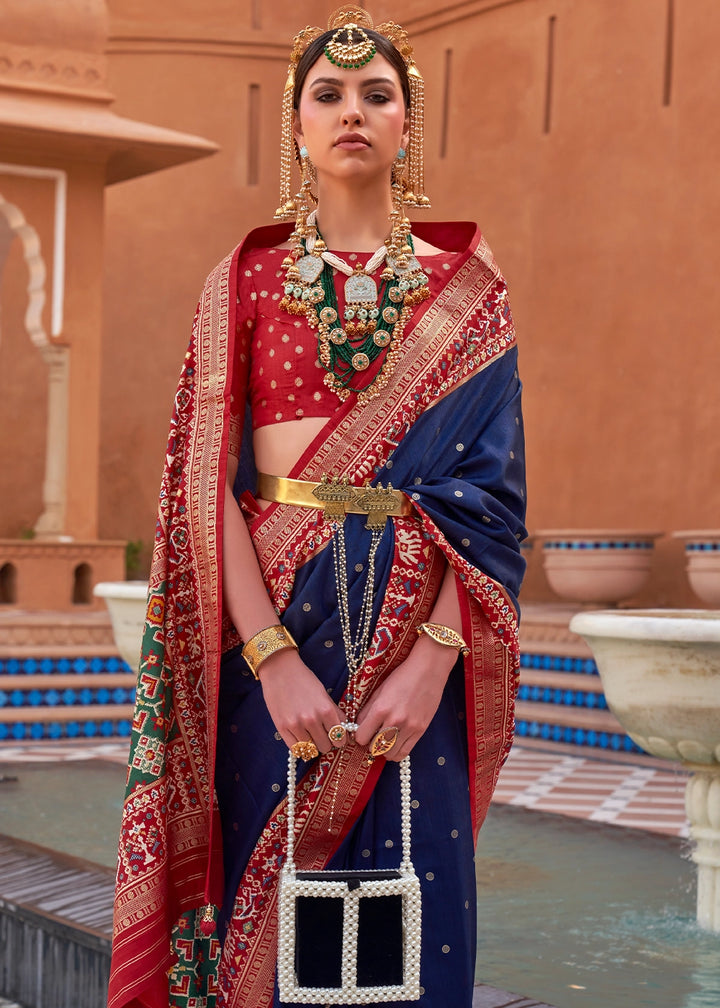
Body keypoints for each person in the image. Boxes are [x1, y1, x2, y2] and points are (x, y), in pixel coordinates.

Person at [107, 6, 527, 1008]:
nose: (353, 111)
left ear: (405, 124)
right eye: (328, 95)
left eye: (376, 95)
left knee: (412, 933)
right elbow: (203, 490)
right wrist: (270, 657)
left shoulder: (469, 290)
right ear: (296, 126)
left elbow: (493, 506)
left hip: (412, 655)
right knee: (273, 924)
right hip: (276, 652)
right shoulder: (244, 282)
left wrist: (431, 666)